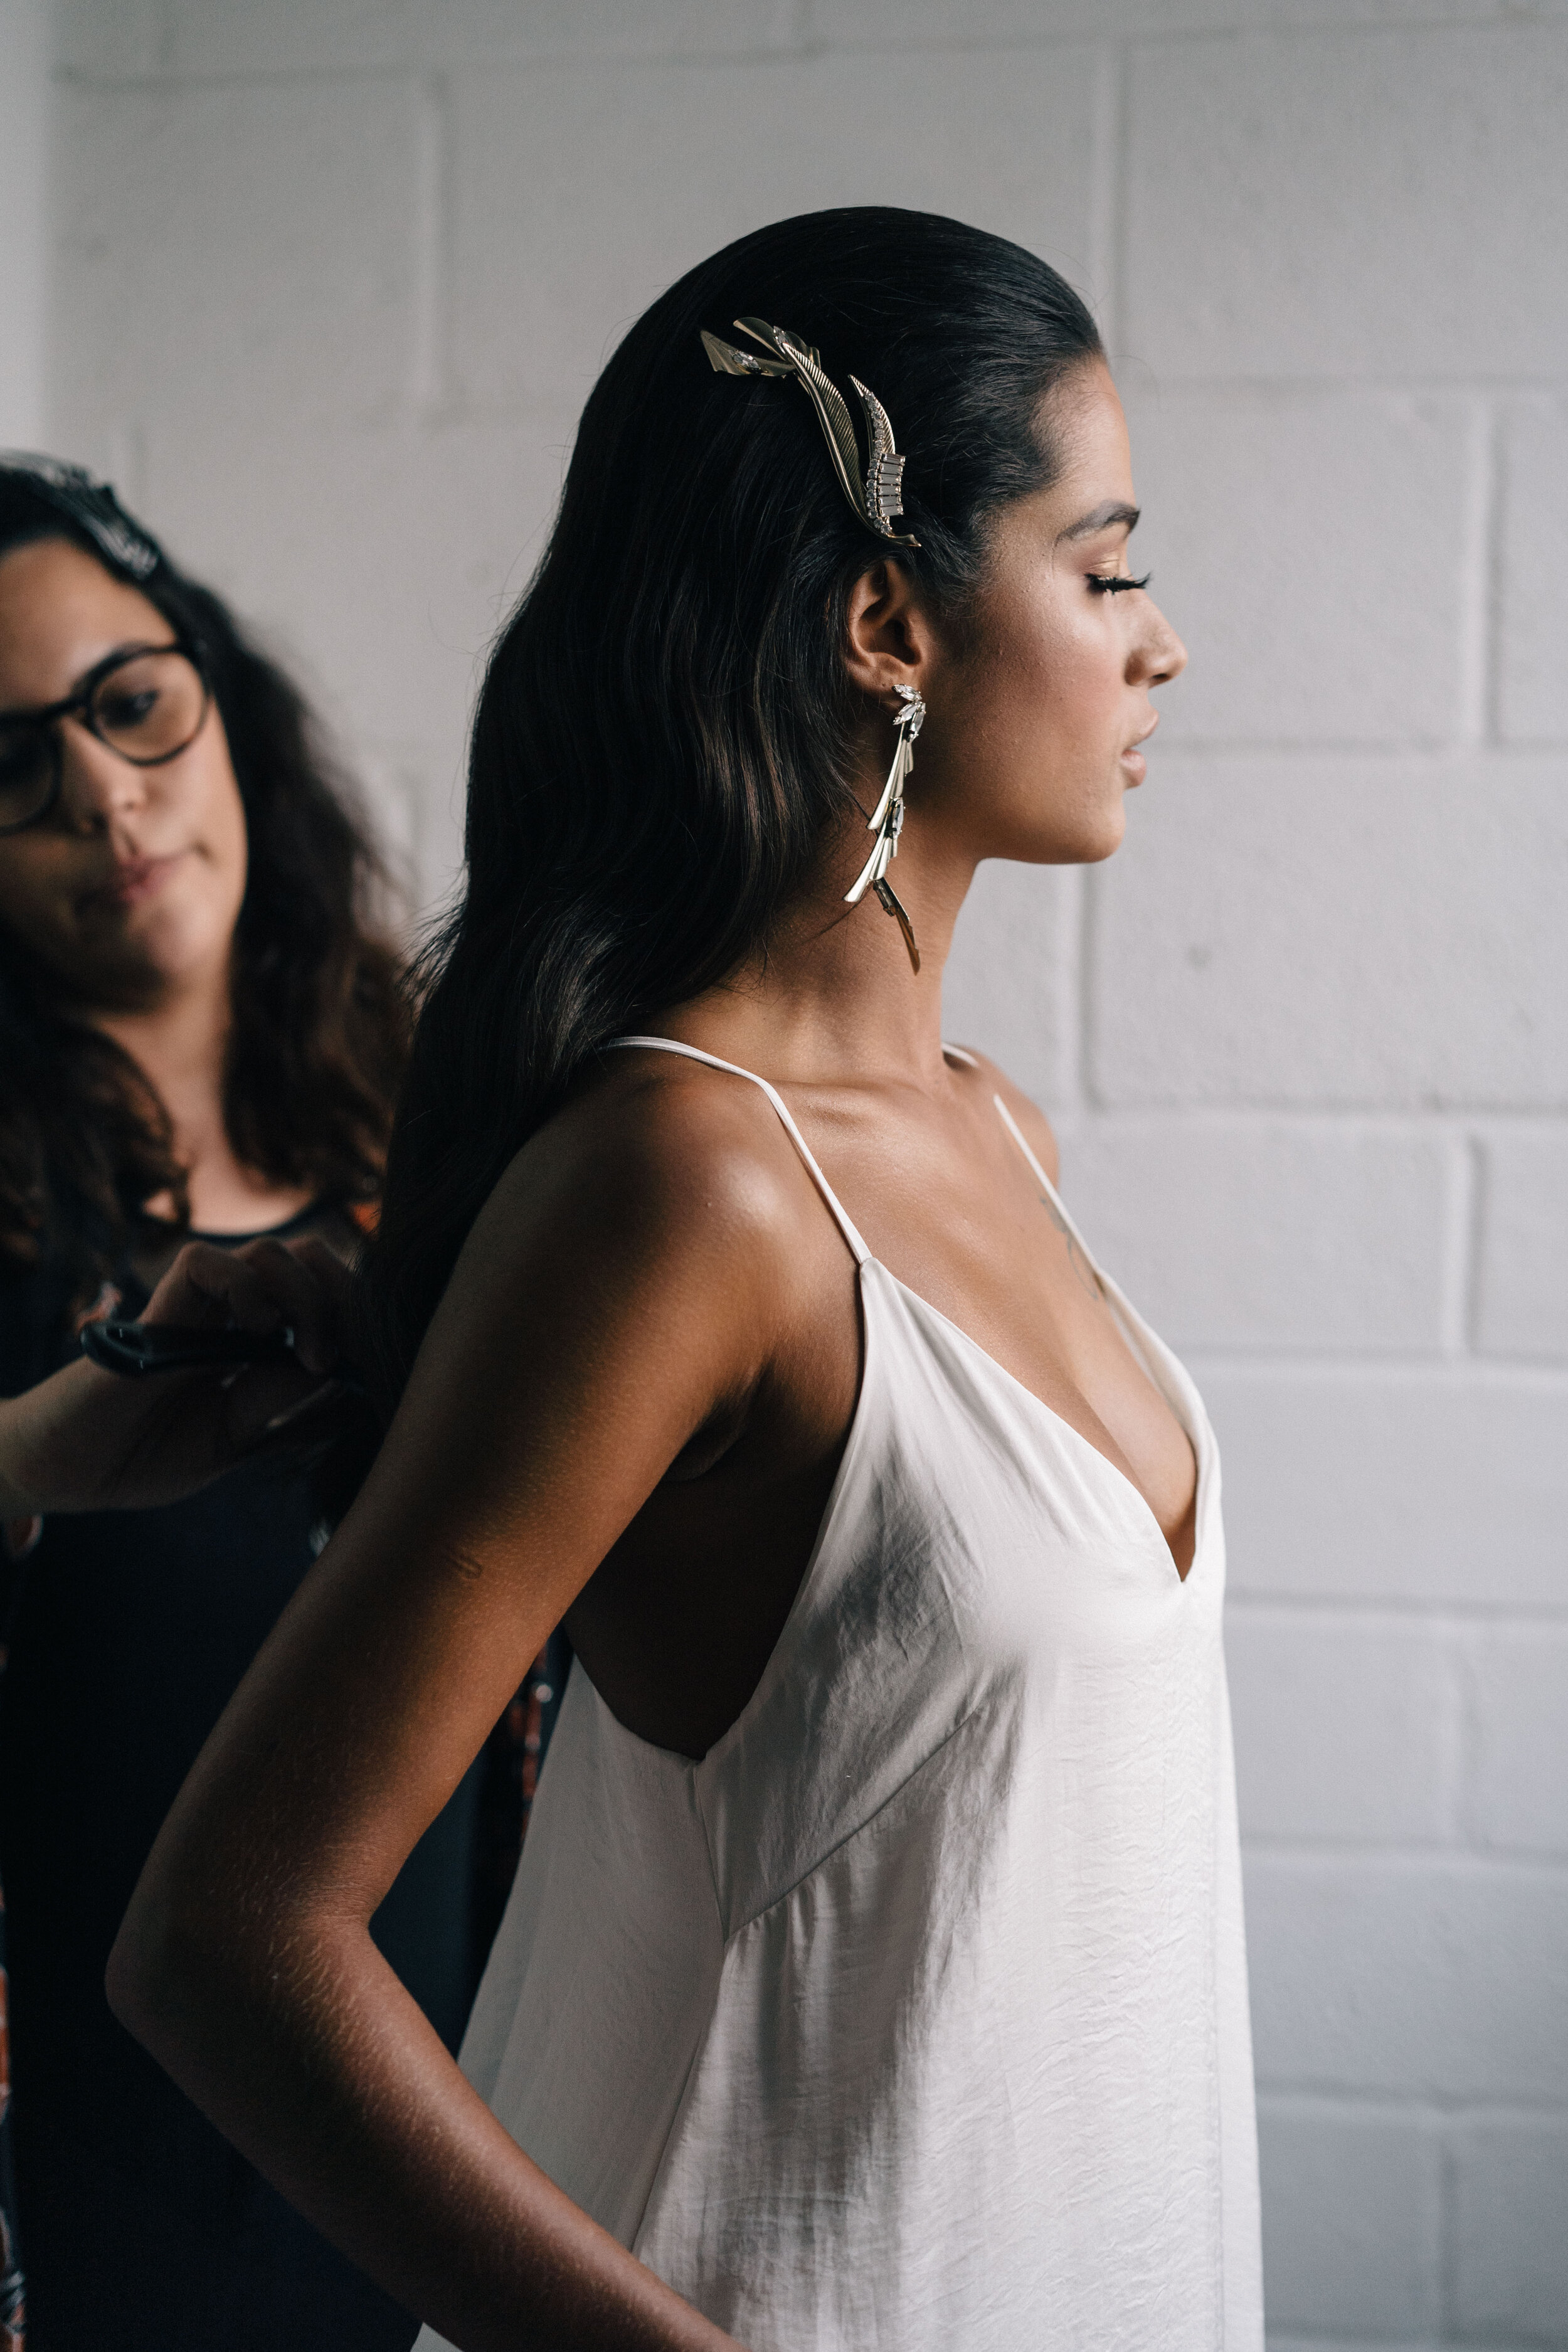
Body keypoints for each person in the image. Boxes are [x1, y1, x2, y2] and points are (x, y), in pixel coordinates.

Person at [112, 207, 1265, 2349]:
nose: (1160, 644)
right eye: (1106, 570)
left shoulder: (993, 1134)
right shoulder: (688, 1190)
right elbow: (231, 1940)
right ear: (884, 622)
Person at [0, 458, 480, 2349]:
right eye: (8, 762)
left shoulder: (441, 1115)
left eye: (129, 702)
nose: (102, 794)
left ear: (218, 697)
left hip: (451, 2132)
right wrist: (34, 1452)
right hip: (94, 2187)